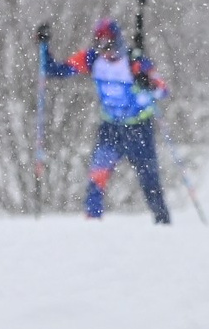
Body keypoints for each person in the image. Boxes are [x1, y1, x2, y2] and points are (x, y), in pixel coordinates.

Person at [39, 19, 172, 224]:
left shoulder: (134, 61)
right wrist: (44, 46)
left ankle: (163, 224)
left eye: (109, 44)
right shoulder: (92, 60)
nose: (106, 50)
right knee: (97, 178)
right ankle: (93, 224)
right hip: (111, 129)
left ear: (118, 41)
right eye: (101, 44)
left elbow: (162, 90)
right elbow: (55, 70)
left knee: (150, 182)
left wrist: (148, 84)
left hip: (139, 130)